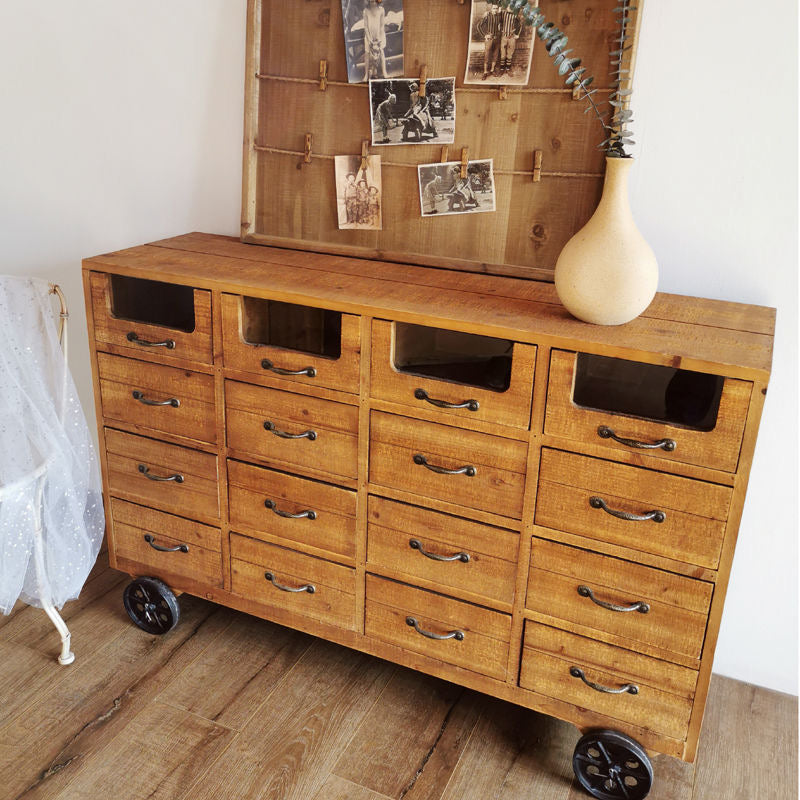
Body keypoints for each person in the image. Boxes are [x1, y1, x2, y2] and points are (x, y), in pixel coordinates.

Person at [476, 2, 502, 79]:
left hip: (496, 38)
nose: (495, 10)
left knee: (495, 55)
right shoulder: (487, 16)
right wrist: (484, 35)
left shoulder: (498, 16)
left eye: (496, 8)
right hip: (489, 39)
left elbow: (501, 25)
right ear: (491, 9)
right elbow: (478, 26)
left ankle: (492, 70)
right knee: (487, 55)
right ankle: (485, 72)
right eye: (494, 8)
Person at [363, 0, 387, 80]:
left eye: (374, 1)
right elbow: (366, 27)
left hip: (379, 36)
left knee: (381, 52)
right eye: (371, 1)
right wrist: (369, 39)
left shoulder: (381, 10)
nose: (372, 2)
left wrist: (379, 38)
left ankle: (384, 72)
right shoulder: (366, 11)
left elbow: (381, 26)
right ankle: (366, 74)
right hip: (369, 36)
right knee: (367, 54)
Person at [498, 5, 522, 75]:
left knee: (510, 54)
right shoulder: (502, 13)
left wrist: (517, 34)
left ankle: (508, 69)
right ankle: (502, 69)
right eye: (509, 6)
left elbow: (520, 25)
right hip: (504, 37)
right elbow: (498, 21)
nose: (510, 8)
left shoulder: (515, 15)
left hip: (511, 37)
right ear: (507, 7)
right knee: (503, 54)